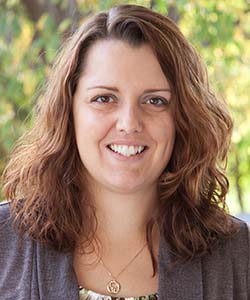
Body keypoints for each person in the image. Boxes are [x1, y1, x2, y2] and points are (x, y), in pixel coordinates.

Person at [0, 4, 249, 300]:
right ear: (69, 111)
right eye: (104, 98)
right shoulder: (4, 243)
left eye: (155, 101)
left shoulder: (236, 253)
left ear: (183, 118)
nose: (129, 123)